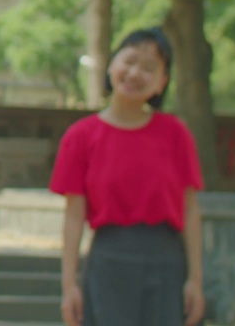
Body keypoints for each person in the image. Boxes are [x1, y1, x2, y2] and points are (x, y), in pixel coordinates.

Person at [49, 28, 205, 326]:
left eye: (149, 68)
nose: (135, 73)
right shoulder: (81, 137)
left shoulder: (175, 134)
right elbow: (73, 217)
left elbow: (191, 210)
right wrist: (69, 286)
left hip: (167, 261)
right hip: (109, 259)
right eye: (129, 61)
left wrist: (196, 280)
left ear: (162, 83)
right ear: (111, 66)